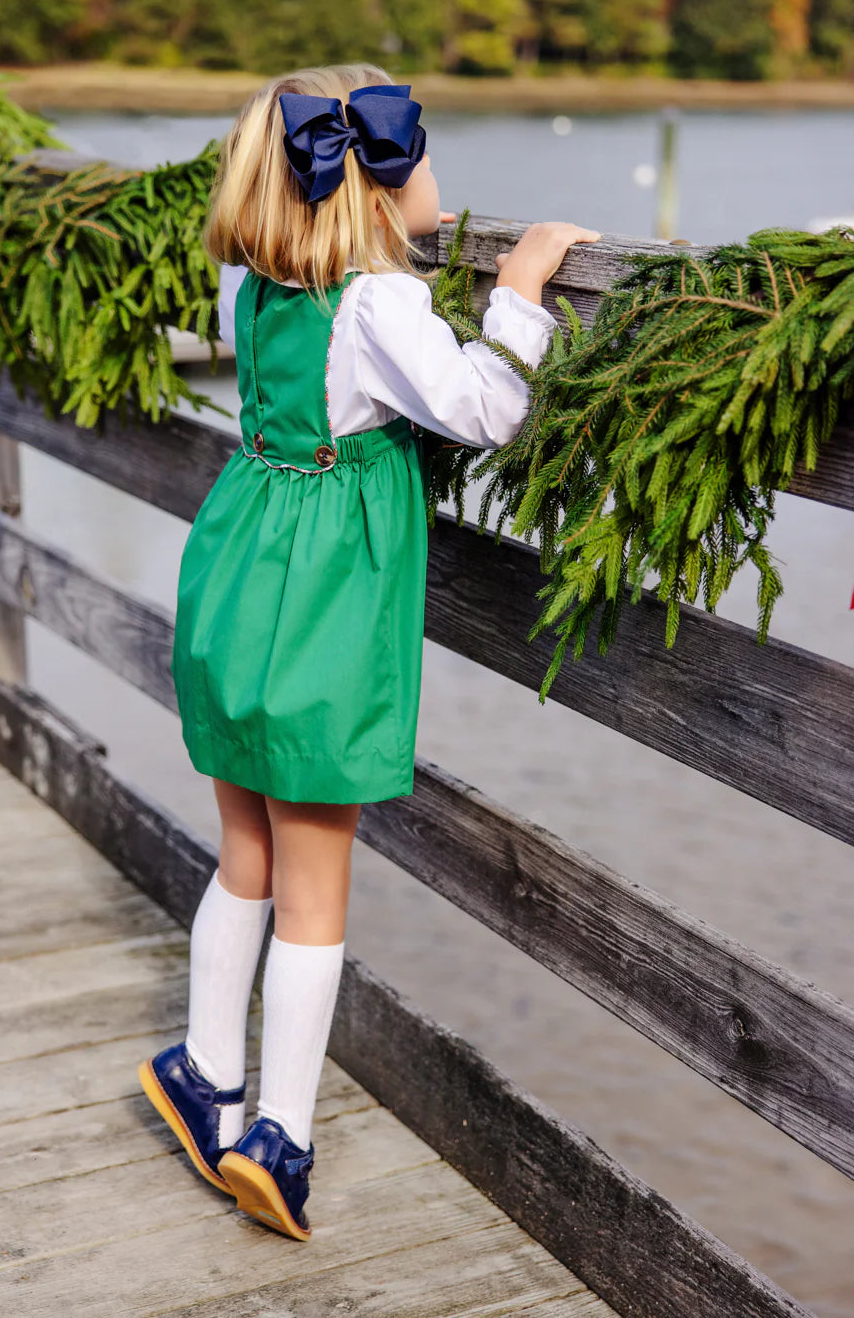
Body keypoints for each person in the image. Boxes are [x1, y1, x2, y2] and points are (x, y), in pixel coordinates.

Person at [138, 62, 600, 1241]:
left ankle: (205, 1073)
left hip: (236, 568)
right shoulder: (380, 303)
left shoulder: (252, 281)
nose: (439, 172)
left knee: (243, 842)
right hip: (324, 603)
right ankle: (278, 1135)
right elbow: (486, 409)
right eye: (423, 152)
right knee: (315, 876)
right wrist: (520, 289)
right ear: (381, 179)